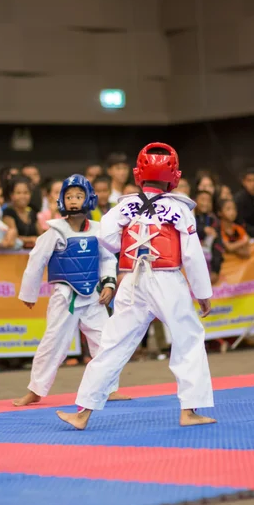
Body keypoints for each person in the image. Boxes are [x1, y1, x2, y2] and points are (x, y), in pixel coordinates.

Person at [56, 142, 216, 430]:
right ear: (174, 176)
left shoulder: (125, 205)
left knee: (112, 343)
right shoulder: (180, 208)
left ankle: (82, 413)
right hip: (167, 278)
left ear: (138, 173)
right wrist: (203, 294)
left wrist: (126, 246)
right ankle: (189, 410)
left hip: (132, 279)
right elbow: (192, 254)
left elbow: (105, 236)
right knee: (189, 339)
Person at [12, 174, 129, 406]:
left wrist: (108, 283)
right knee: (53, 343)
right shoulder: (54, 232)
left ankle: (109, 388)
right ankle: (35, 390)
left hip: (94, 298)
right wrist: (29, 293)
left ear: (89, 199)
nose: (73, 200)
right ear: (61, 201)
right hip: (66, 298)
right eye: (68, 196)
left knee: (106, 341)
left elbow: (107, 259)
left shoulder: (99, 230)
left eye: (78, 195)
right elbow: (36, 261)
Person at [3, 176, 43, 249]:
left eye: (26, 193)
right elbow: (11, 238)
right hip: (14, 254)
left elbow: (41, 235)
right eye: (18, 193)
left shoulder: (32, 212)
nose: (22, 196)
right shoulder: (8, 212)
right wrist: (30, 239)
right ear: (11, 195)